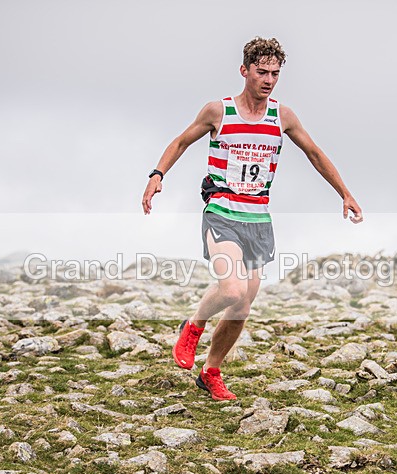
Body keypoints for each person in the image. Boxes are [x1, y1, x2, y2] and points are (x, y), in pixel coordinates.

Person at [141, 36, 363, 401]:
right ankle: (193, 326)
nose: (269, 79)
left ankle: (210, 372)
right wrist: (156, 175)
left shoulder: (283, 116)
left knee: (243, 305)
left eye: (276, 73)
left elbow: (315, 153)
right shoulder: (219, 111)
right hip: (221, 211)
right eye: (262, 71)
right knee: (231, 289)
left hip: (258, 218)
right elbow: (181, 142)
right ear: (244, 71)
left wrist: (345, 193)